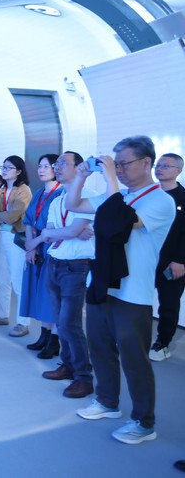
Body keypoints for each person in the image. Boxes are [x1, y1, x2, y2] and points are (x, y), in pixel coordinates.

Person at [66, 136, 175, 445]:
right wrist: (81, 177)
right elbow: (74, 204)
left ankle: (143, 421)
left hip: (133, 292)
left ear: (146, 162)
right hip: (102, 283)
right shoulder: (119, 194)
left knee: (134, 358)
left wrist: (111, 179)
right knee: (99, 347)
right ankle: (107, 401)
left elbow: (121, 221)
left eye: (124, 163)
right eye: (117, 164)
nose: (120, 169)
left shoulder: (160, 200)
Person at [35, 152, 96, 399]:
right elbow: (47, 231)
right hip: (55, 262)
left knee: (71, 323)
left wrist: (67, 232)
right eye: (56, 163)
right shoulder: (58, 199)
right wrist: (69, 231)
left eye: (63, 163)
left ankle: (83, 377)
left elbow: (68, 231)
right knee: (60, 321)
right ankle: (68, 364)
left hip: (76, 266)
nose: (57, 167)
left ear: (78, 167)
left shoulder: (89, 197)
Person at [0, 156, 32, 333]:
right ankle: (2, 315)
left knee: (18, 281)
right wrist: (1, 215)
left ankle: (23, 322)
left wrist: (0, 214)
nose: (4, 170)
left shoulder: (24, 190)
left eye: (8, 167)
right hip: (0, 235)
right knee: (1, 279)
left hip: (15, 237)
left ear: (18, 171)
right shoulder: (1, 191)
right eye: (3, 167)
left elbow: (12, 217)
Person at [20, 154, 64, 349]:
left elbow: (57, 228)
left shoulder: (62, 193)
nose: (42, 170)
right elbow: (29, 220)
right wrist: (31, 245)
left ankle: (54, 340)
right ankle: (44, 335)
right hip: (36, 248)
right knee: (38, 292)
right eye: (40, 166)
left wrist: (33, 244)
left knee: (51, 295)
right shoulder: (38, 193)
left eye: (47, 166)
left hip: (52, 248)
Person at [150, 153, 185, 361]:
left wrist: (181, 260)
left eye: (166, 166)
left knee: (169, 304)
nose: (159, 168)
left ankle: (162, 343)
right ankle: (131, 337)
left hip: (172, 262)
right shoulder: (150, 194)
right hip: (146, 258)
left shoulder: (183, 197)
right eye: (158, 165)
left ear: (178, 171)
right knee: (137, 300)